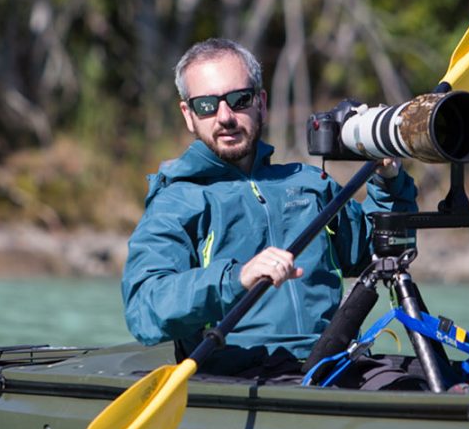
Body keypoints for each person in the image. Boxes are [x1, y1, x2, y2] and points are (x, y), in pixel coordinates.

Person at [121, 38, 418, 377]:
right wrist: (236, 278)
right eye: (206, 105)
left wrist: (390, 181)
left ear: (260, 103)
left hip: (332, 361)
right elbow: (145, 310)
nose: (225, 117)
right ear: (189, 115)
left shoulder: (309, 183)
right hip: (245, 372)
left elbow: (380, 253)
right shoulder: (177, 202)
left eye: (239, 100)